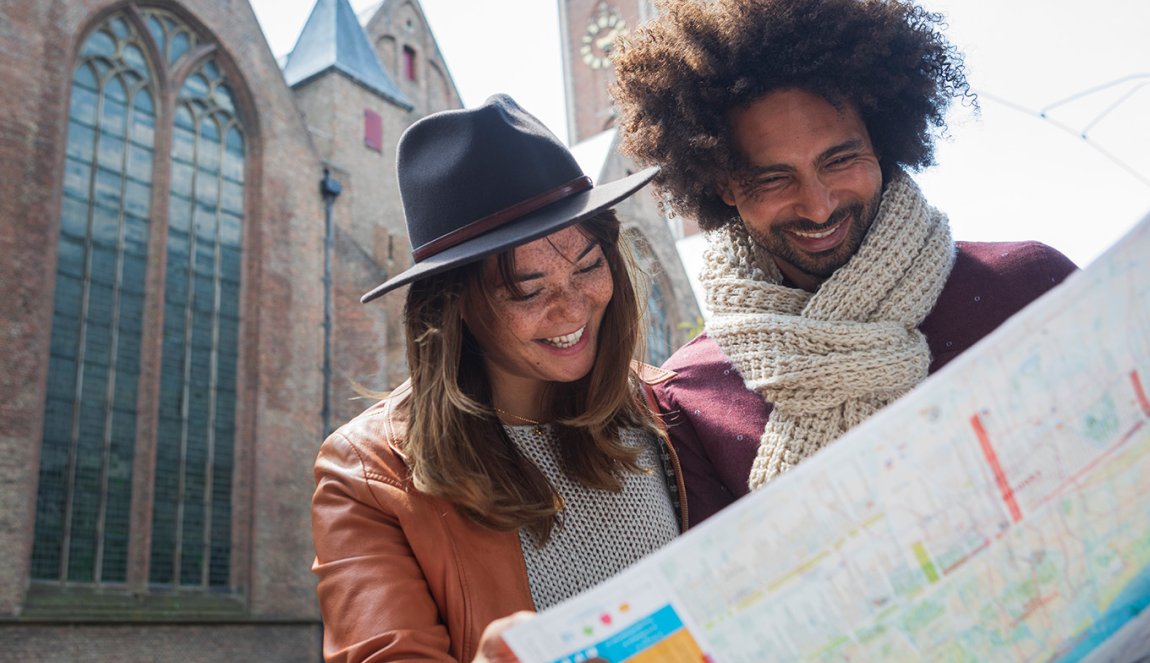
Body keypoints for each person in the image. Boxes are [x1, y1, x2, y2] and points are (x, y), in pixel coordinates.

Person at [609, 0, 1078, 525]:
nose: (819, 205)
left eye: (839, 160)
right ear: (722, 185)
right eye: (772, 179)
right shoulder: (690, 397)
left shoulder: (1032, 290)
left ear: (881, 140)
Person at [309, 94, 687, 663]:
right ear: (453, 304)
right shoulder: (366, 475)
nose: (571, 308)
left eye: (588, 267)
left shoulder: (663, 406)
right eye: (528, 290)